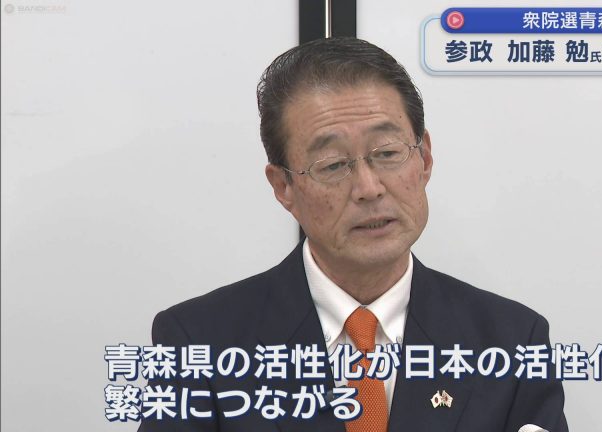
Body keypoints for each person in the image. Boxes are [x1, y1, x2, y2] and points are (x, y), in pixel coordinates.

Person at [138, 37, 568, 432]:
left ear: (424, 159)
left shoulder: (512, 340)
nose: (369, 188)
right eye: (332, 165)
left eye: (388, 153)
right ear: (283, 186)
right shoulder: (200, 342)